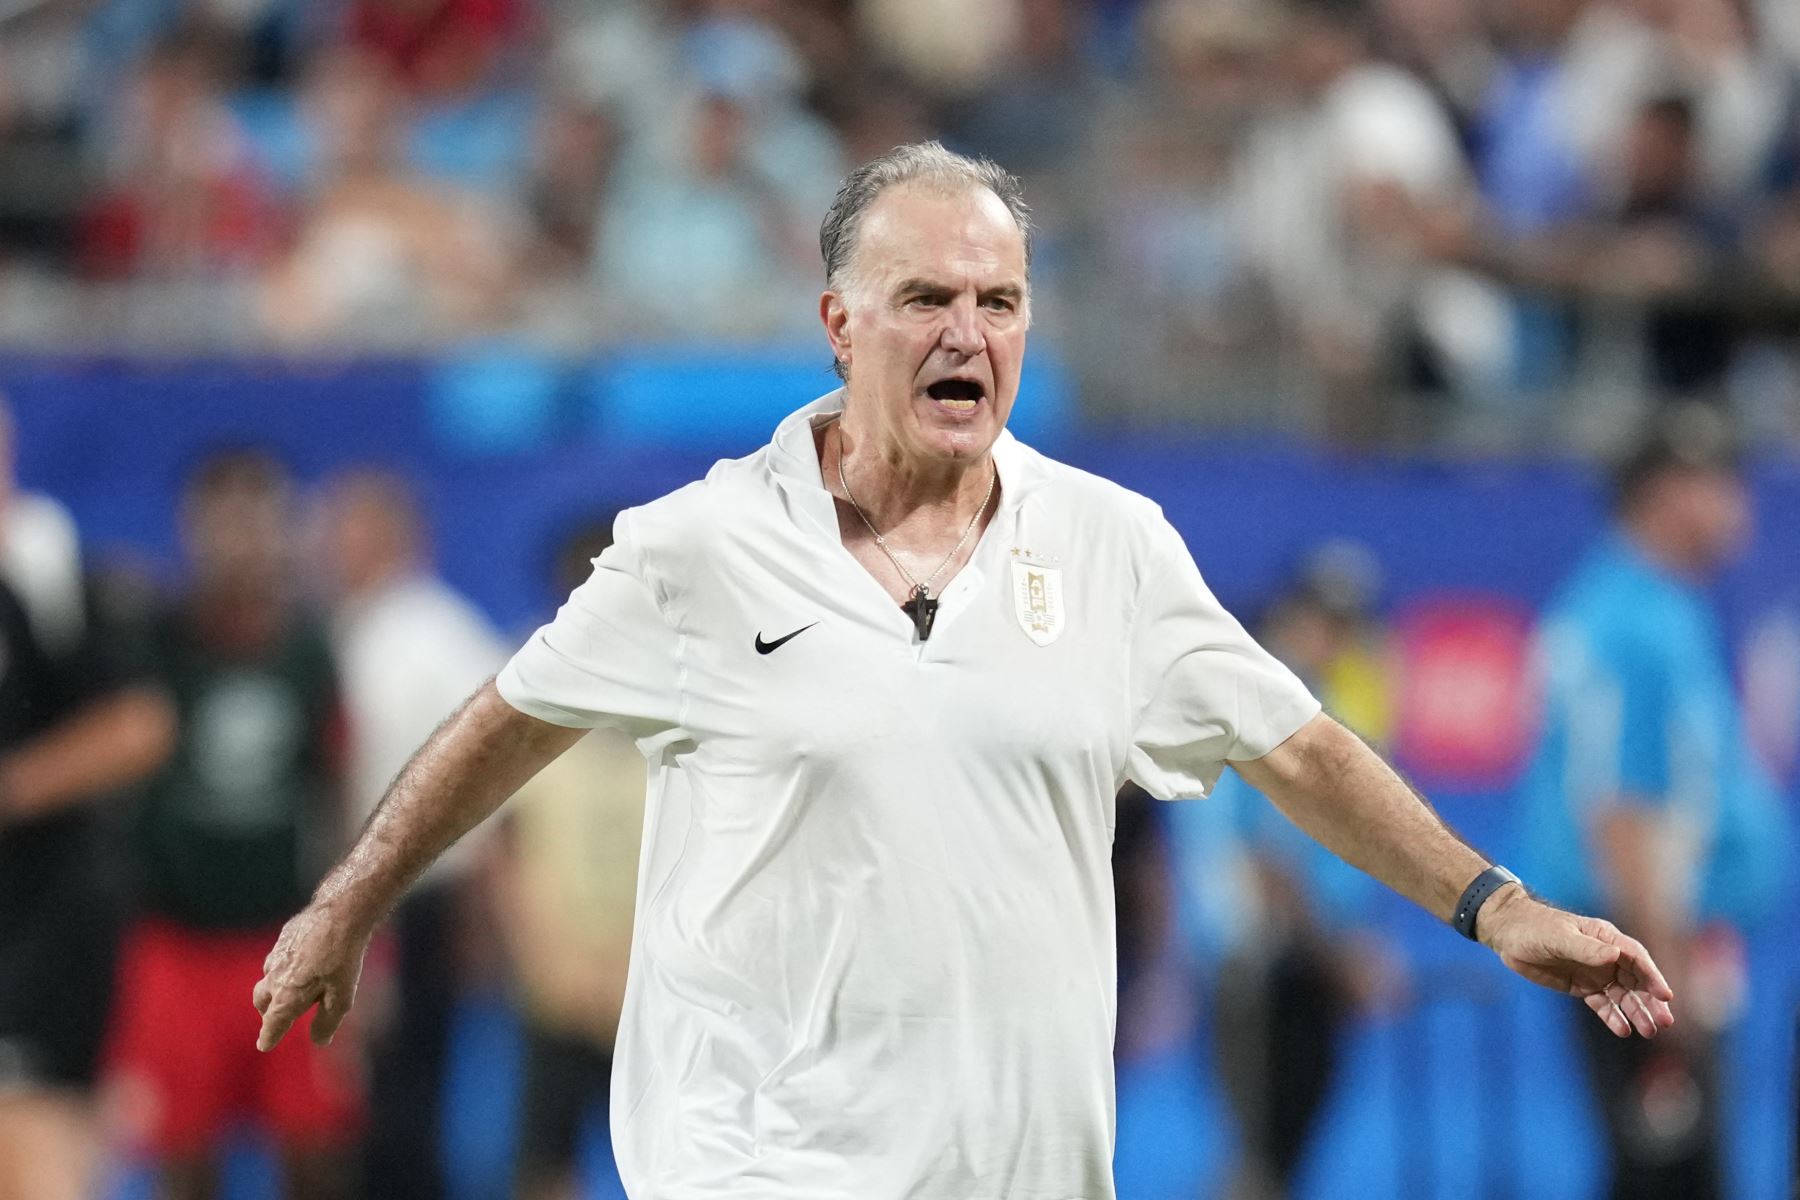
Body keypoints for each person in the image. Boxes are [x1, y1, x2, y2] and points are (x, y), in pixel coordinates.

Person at [254, 141, 1676, 1200]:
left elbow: (1293, 747)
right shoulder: (699, 549)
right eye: (925, 295)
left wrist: (1495, 907)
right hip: (759, 1161)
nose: (967, 333)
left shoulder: (1114, 547)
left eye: (999, 300)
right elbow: (513, 719)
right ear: (838, 323)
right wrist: (349, 902)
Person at [1515, 408, 1787, 1200]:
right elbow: (1620, 808)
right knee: (1670, 1175)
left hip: (1655, 941)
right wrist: (1663, 969)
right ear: (1668, 495)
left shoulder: (1655, 607)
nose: (1741, 505)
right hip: (1639, 954)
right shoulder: (1631, 623)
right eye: (1721, 484)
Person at [107, 450, 361, 1200]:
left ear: (284, 528)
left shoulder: (310, 650)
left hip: (283, 937)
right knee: (182, 1155)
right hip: (175, 942)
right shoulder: (150, 638)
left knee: (315, 1153)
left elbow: (338, 794)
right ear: (191, 529)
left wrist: (353, 929)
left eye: (257, 519)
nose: (241, 540)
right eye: (223, 521)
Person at [1164, 551, 1401, 1200]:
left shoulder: (1321, 710)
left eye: (1347, 623)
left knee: (1280, 1155)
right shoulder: (1252, 705)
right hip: (1262, 970)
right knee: (1263, 1156)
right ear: (1289, 618)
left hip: (1301, 967)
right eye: (1322, 619)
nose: (1334, 637)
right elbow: (1263, 863)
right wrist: (1336, 957)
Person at [312, 468, 511, 1200]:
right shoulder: (344, 629)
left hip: (417, 898)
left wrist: (479, 908)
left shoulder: (434, 632)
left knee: (402, 1093)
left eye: (348, 530)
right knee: (358, 1095)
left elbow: (495, 776)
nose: (330, 546)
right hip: (361, 894)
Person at [0, 414, 175, 1200]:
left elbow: (138, 725)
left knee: (32, 1135)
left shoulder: (46, 573)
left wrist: (15, 787)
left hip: (33, 928)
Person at [496, 516, 647, 1200]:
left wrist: (642, 969)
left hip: (660, 989)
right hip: (556, 987)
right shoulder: (522, 700)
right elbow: (504, 852)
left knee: (687, 1162)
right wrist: (541, 960)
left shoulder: (696, 697)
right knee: (544, 1160)